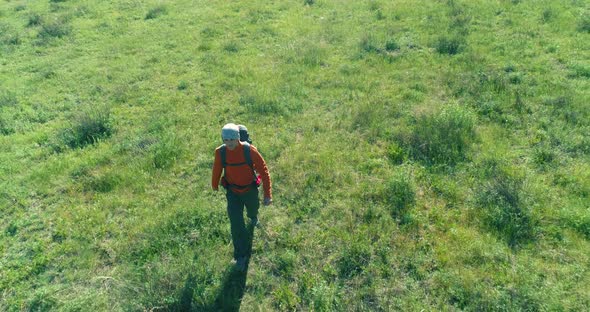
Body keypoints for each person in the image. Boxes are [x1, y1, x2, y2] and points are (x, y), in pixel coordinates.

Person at [212, 123, 272, 271]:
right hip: (233, 192)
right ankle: (240, 256)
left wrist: (267, 194)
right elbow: (217, 168)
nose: (229, 143)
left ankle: (253, 217)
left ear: (238, 138)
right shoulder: (221, 152)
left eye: (232, 139)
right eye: (226, 140)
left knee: (253, 209)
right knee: (236, 224)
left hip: (250, 190)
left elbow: (264, 172)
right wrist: (214, 184)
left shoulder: (249, 151)